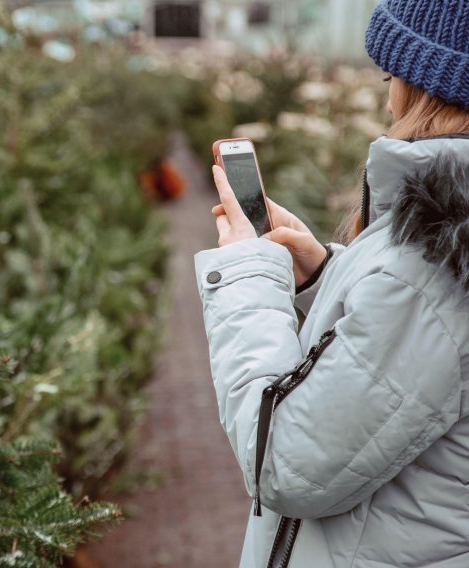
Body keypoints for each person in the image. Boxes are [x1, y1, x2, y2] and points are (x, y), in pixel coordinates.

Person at [194, 1, 469, 566]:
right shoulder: (442, 242)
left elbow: (288, 465)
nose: (386, 95)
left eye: (390, 76)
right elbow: (418, 364)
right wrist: (328, 274)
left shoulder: (434, 257)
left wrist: (248, 275)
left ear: (430, 86)